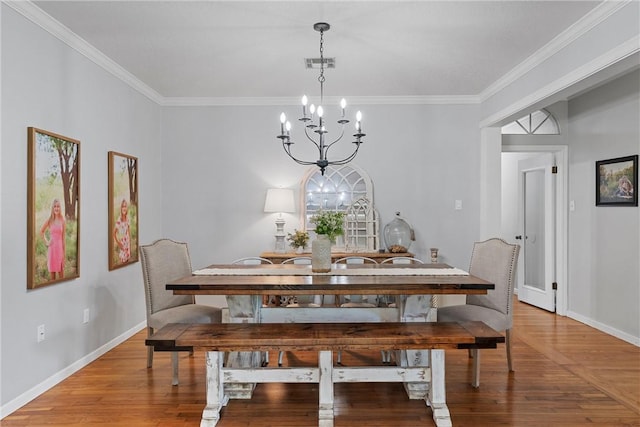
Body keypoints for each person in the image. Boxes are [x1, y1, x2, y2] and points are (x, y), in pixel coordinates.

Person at [40, 198, 66, 280]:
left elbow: (63, 238)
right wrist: (47, 242)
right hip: (52, 250)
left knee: (61, 275)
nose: (56, 208)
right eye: (55, 206)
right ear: (52, 208)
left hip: (59, 250)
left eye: (58, 206)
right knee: (52, 277)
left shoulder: (63, 220)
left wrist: (64, 254)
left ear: (60, 208)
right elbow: (41, 232)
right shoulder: (50, 220)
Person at [113, 199, 131, 264]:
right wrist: (118, 243)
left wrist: (129, 243)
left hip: (127, 244)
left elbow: (128, 231)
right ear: (121, 208)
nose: (124, 208)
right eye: (123, 206)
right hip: (122, 245)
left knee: (128, 262)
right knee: (123, 263)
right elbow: (114, 233)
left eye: (125, 206)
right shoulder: (119, 220)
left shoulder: (128, 218)